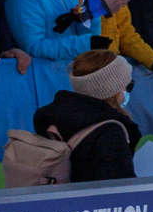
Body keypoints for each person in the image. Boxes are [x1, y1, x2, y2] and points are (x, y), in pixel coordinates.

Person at [31, 48, 141, 184]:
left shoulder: (53, 117)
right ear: (112, 91)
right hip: (92, 203)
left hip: (58, 201)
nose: (127, 92)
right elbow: (120, 190)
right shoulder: (110, 132)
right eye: (128, 86)